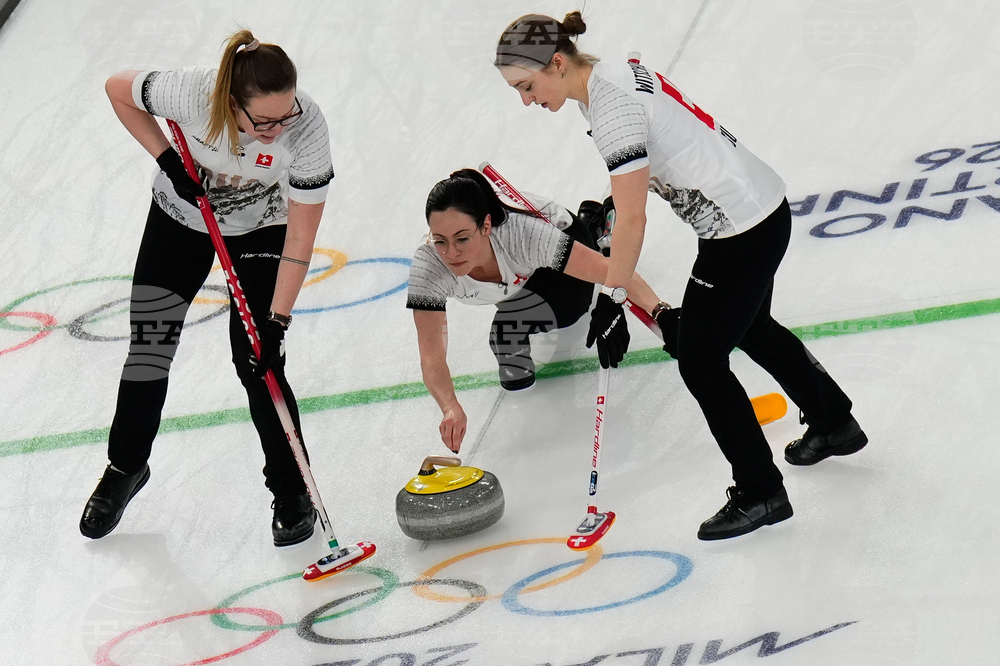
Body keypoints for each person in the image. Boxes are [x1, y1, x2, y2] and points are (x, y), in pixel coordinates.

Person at [494, 13, 867, 540]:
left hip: (739, 231)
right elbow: (641, 176)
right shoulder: (612, 76)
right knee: (751, 329)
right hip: (760, 207)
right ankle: (834, 423)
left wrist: (613, 295)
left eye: (527, 86)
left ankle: (761, 492)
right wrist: (612, 220)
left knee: (701, 360)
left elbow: (636, 216)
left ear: (557, 62)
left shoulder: (611, 108)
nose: (526, 100)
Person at [80, 30, 334, 547]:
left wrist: (277, 321)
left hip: (263, 228)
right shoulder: (192, 93)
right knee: (150, 345)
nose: (276, 129)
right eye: (263, 121)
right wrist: (168, 161)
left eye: (285, 116)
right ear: (229, 102)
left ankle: (292, 491)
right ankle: (125, 468)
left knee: (257, 358)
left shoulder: (305, 132)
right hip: (181, 217)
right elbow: (116, 88)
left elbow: (301, 239)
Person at [407, 169, 666, 452]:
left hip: (561, 240)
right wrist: (450, 407)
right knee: (512, 349)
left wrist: (662, 313)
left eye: (462, 239)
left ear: (486, 226)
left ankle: (591, 229)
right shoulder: (429, 266)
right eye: (440, 240)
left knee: (518, 328)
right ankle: (594, 223)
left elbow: (615, 272)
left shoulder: (522, 236)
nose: (451, 253)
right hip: (522, 278)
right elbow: (431, 356)